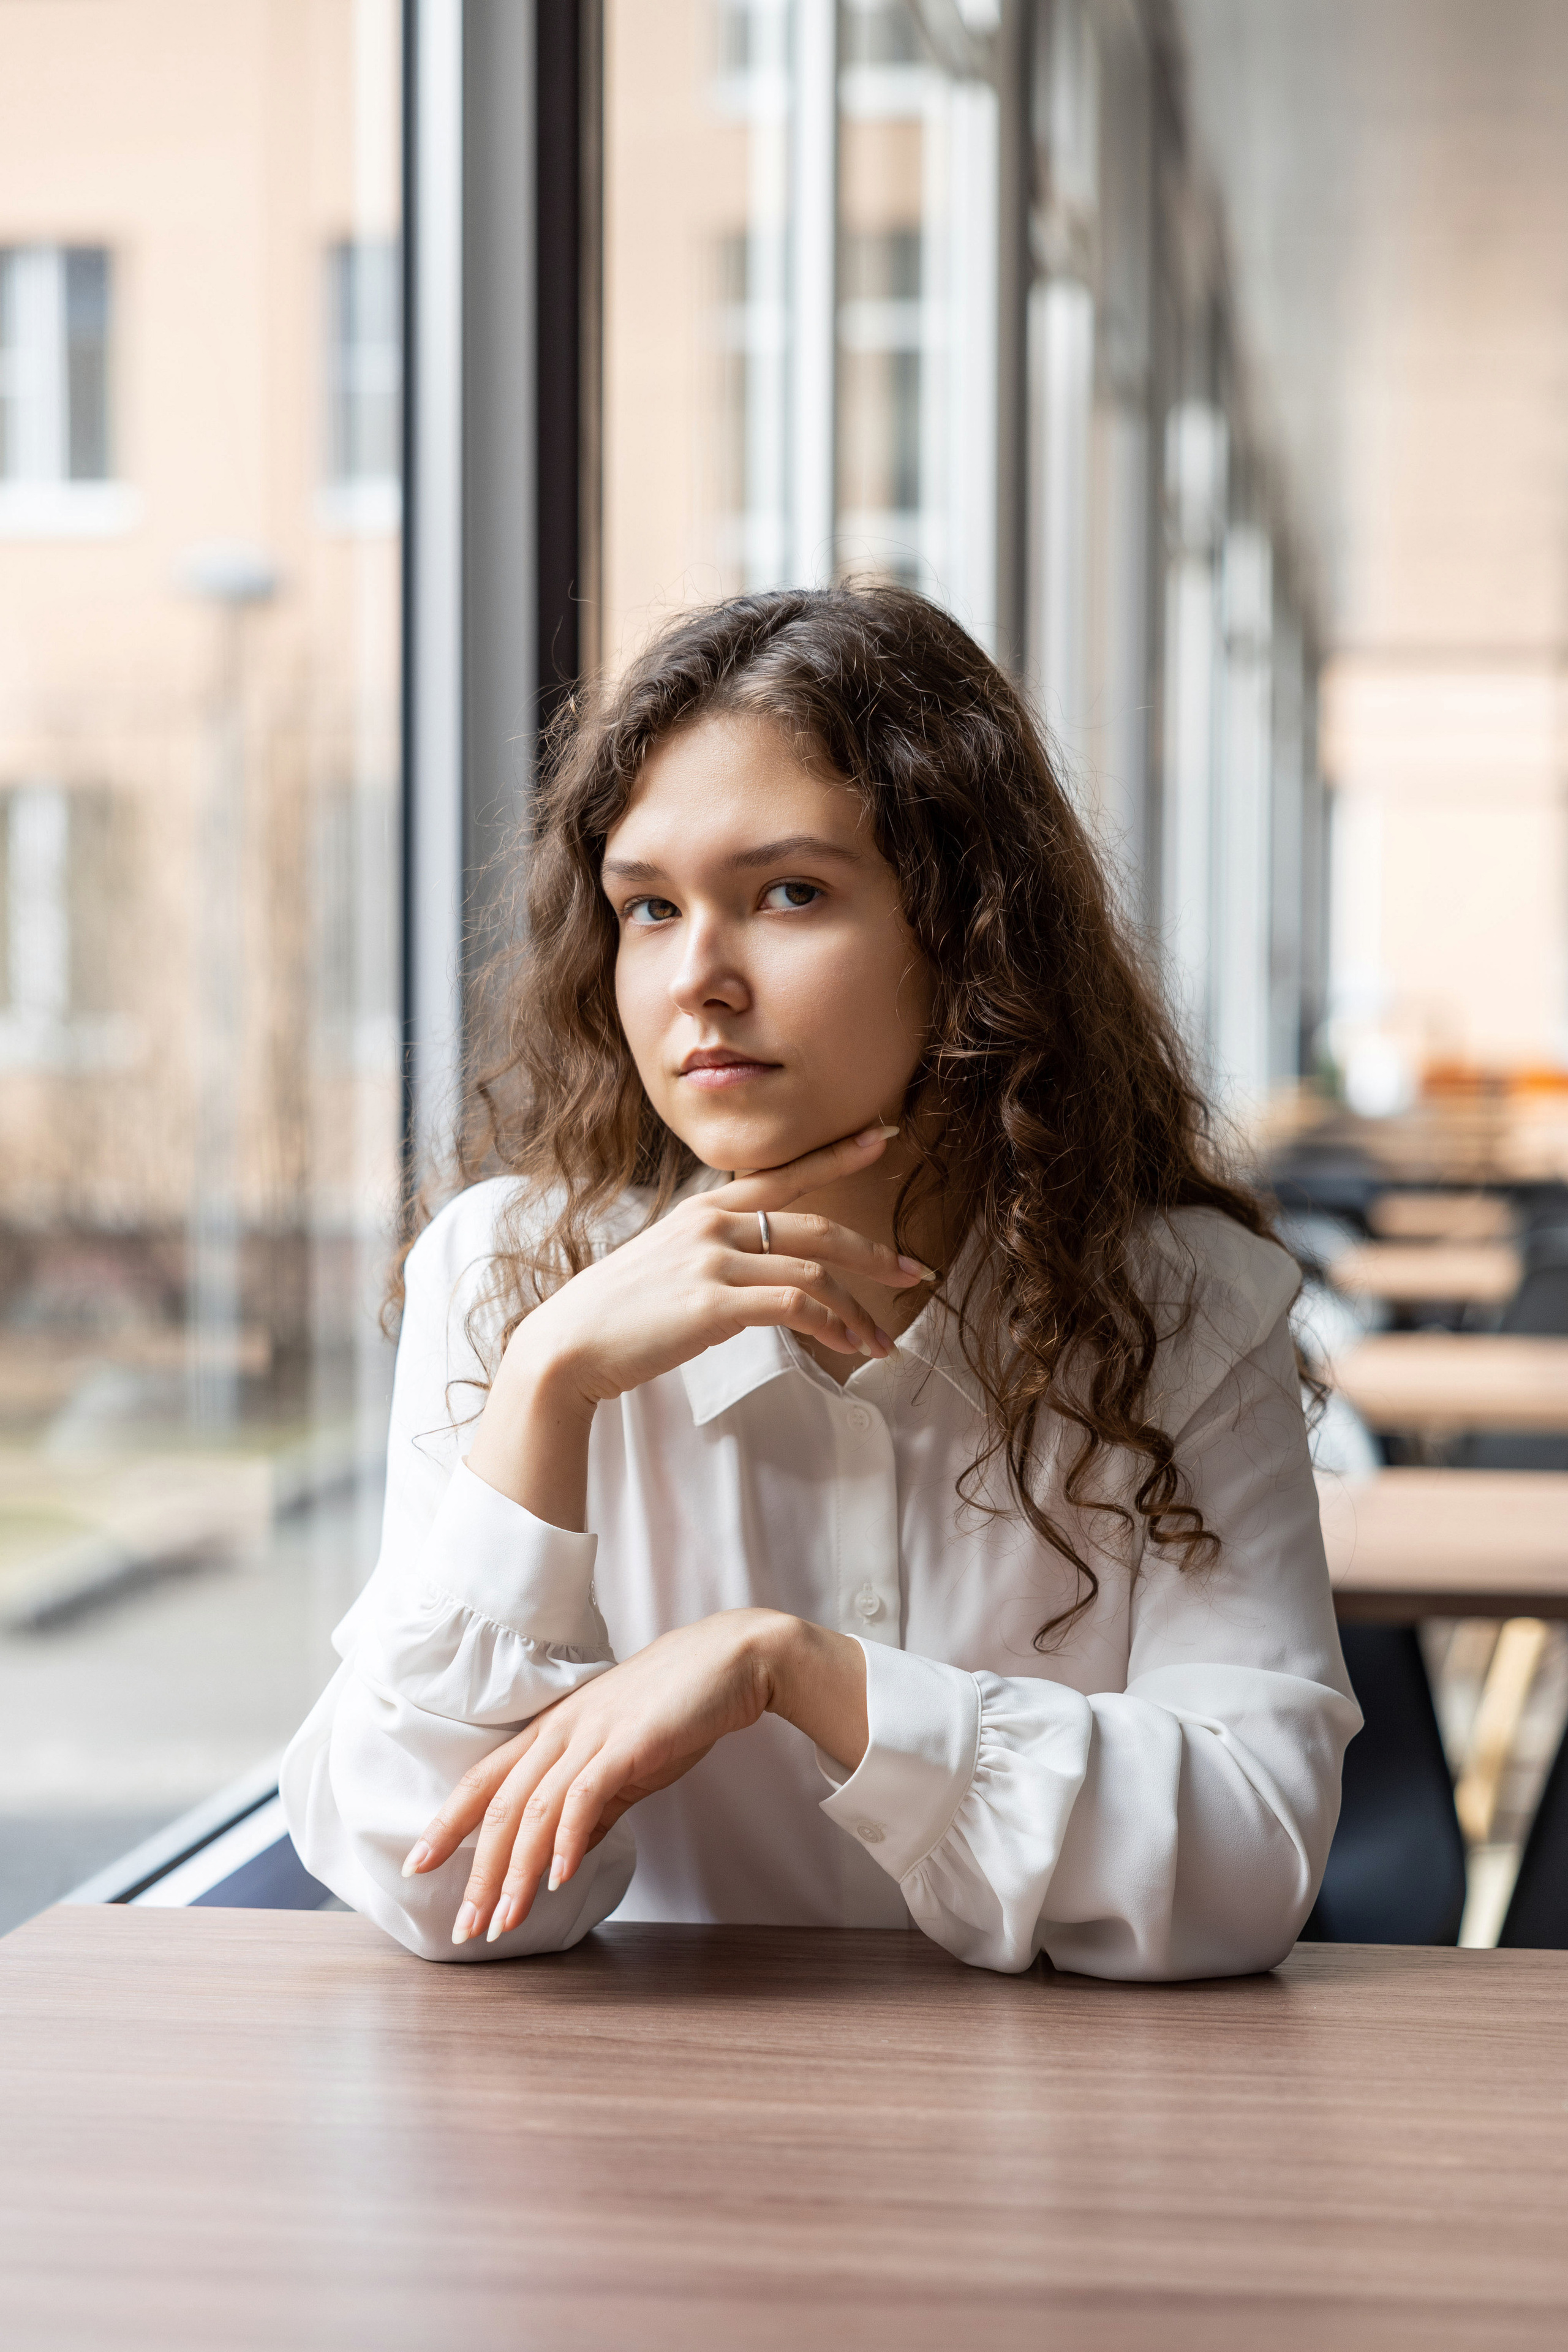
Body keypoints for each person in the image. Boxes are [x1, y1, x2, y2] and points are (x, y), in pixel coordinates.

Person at [281, 584, 1359, 1978]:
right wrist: (545, 1387)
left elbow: (1245, 1862)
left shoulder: (1187, 1303)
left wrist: (798, 1672)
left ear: (967, 928)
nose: (698, 982)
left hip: (1068, 2153)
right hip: (627, 2161)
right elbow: (439, 1895)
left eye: (787, 893)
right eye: (648, 909)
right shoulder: (503, 1274)